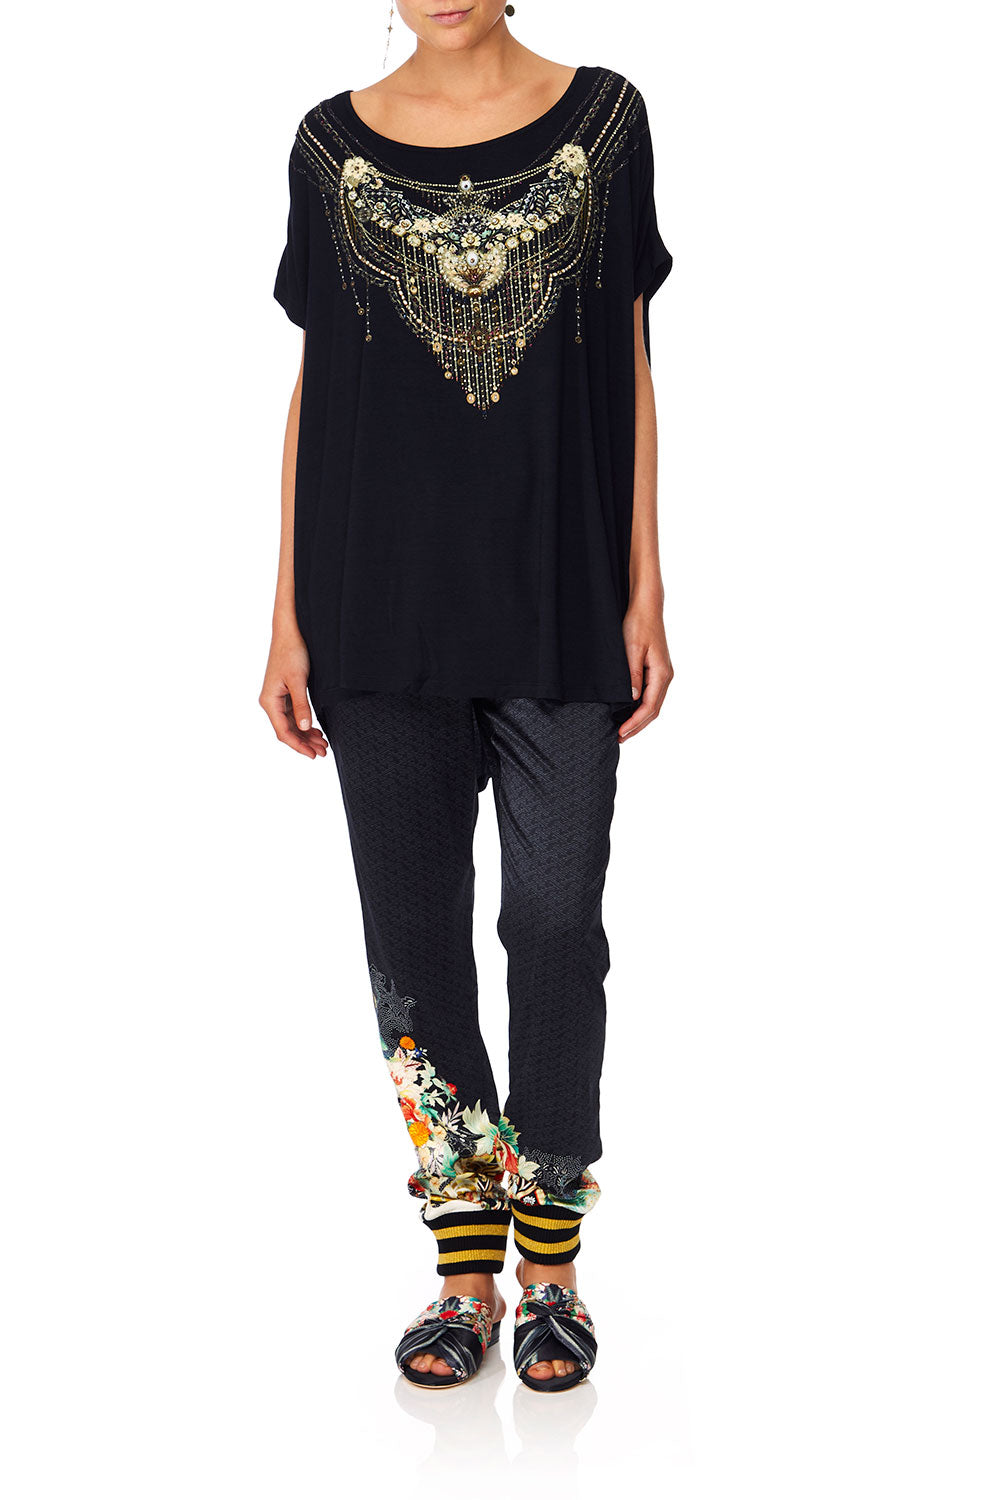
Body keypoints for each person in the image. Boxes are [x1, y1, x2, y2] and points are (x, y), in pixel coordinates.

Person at [261, 1, 674, 1391]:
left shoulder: (605, 121)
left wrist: (645, 587)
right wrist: (287, 613)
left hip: (558, 596)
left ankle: (553, 1260)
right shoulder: (329, 148)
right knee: (414, 943)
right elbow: (318, 384)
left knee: (556, 927)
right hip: (375, 607)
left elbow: (629, 359)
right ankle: (464, 1271)